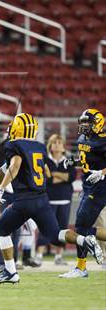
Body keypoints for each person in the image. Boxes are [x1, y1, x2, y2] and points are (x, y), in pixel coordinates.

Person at [0, 113, 103, 284]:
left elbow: (14, 166)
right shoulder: (40, 146)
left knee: (0, 229)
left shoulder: (13, 145)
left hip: (23, 200)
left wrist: (0, 188)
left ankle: (10, 272)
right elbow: (45, 171)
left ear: (18, 128)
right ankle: (84, 239)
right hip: (42, 199)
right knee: (55, 234)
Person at [60, 109, 106, 278]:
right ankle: (81, 268)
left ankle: (81, 268)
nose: (84, 125)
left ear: (98, 123)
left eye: (88, 122)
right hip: (88, 186)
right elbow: (88, 158)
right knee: (83, 228)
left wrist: (102, 172)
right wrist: (74, 162)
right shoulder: (83, 139)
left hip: (100, 188)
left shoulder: (103, 141)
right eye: (83, 122)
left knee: (80, 227)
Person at [36, 134, 76, 266]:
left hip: (65, 200)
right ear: (50, 146)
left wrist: (54, 174)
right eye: (54, 143)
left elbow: (71, 177)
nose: (57, 145)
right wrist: (61, 177)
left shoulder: (69, 160)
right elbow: (47, 180)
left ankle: (59, 256)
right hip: (49, 200)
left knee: (62, 229)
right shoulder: (45, 160)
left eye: (60, 142)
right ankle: (39, 255)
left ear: (64, 147)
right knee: (45, 228)